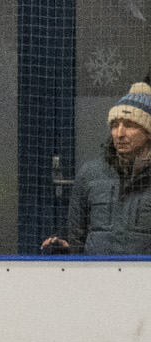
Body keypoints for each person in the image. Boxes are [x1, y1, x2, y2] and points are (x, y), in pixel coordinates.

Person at [42, 84, 151, 256]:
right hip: (96, 277)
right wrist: (64, 244)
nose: (119, 133)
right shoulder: (90, 173)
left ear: (148, 132)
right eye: (115, 125)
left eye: (129, 125)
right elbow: (76, 232)